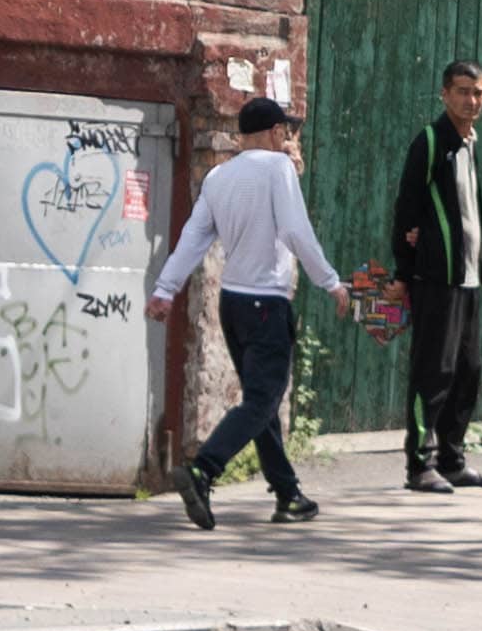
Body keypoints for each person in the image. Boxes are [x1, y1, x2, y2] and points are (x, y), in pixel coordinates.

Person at [146, 92, 352, 528]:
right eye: (287, 132)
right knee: (261, 400)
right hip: (266, 304)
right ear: (277, 132)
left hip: (233, 304)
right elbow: (296, 230)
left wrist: (166, 289)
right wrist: (330, 280)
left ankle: (288, 493)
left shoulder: (219, 176)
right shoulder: (278, 167)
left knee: (263, 401)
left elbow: (194, 237)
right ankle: (204, 470)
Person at [385, 60, 482, 492]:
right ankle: (420, 465)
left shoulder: (470, 142)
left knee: (467, 370)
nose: (471, 100)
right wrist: (403, 270)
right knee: (433, 371)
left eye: (478, 93)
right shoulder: (431, 141)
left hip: (468, 277)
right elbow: (406, 208)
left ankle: (452, 458)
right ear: (444, 94)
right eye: (463, 91)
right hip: (436, 277)